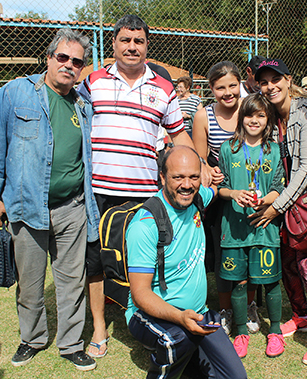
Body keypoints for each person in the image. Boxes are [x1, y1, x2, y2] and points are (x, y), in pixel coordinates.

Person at [77, 15, 208, 359]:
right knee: (97, 262)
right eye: (125, 40)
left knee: (143, 261)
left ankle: (143, 318)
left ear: (147, 46)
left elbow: (178, 133)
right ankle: (101, 328)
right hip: (99, 192)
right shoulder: (92, 82)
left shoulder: (163, 88)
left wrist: (201, 165)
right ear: (114, 44)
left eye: (139, 41)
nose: (132, 46)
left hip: (144, 195)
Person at [0, 28, 99, 371]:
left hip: (72, 208)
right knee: (29, 283)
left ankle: (71, 344)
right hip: (26, 207)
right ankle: (31, 339)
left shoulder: (83, 106)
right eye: (62, 57)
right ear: (48, 58)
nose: (69, 65)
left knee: (71, 281)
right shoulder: (16, 92)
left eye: (77, 61)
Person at [126, 146, 247, 379]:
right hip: (152, 316)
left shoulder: (197, 198)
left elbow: (214, 189)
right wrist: (180, 318)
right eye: (178, 177)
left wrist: (224, 184)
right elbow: (140, 293)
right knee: (176, 340)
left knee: (235, 378)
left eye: (193, 176)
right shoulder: (145, 225)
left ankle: (189, 355)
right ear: (162, 177)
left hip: (198, 314)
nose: (187, 184)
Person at [250, 58, 307, 366]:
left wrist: (276, 206)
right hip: (285, 199)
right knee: (286, 260)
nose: (270, 86)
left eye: (275, 79)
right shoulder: (270, 113)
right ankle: (302, 316)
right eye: (264, 82)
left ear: (288, 79)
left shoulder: (305, 108)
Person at [193, 61, 261, 336]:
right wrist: (208, 169)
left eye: (232, 85)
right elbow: (199, 158)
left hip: (252, 195)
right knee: (224, 256)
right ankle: (225, 309)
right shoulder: (203, 116)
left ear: (240, 84)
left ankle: (251, 304)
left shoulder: (251, 109)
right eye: (220, 87)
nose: (228, 92)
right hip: (221, 199)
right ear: (212, 89)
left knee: (252, 250)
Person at [218, 93, 285, 358]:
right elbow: (220, 187)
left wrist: (267, 199)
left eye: (260, 115)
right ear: (241, 118)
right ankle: (241, 332)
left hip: (265, 228)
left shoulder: (275, 150)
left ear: (267, 119)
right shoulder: (228, 148)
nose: (254, 120)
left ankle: (276, 332)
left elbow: (280, 187)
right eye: (249, 115)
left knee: (270, 281)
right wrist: (235, 194)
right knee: (239, 282)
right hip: (234, 228)